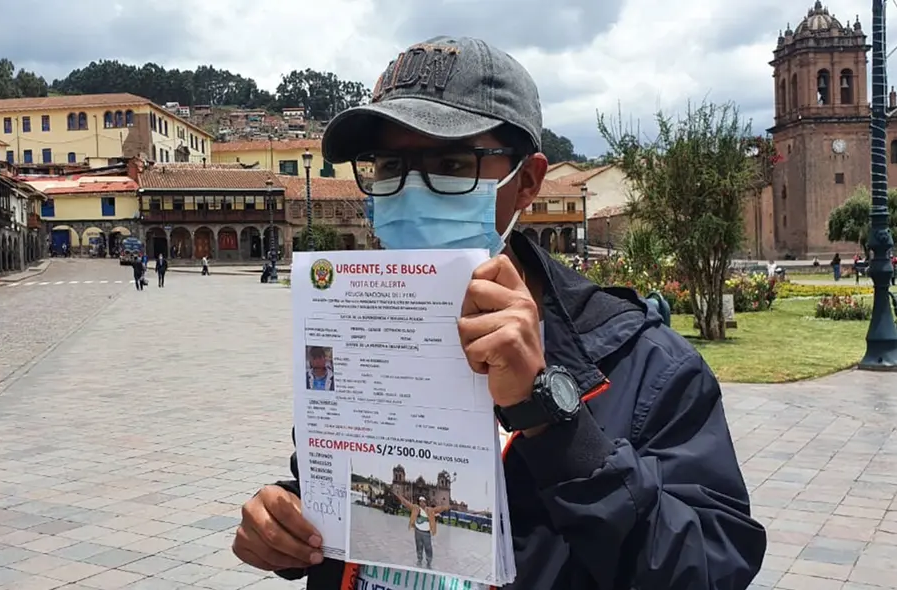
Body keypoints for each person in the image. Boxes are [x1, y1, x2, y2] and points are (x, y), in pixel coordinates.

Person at [232, 36, 765, 590]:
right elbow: (336, 497)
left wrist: (551, 417)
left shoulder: (646, 364)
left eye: (451, 162)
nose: (412, 189)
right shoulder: (359, 327)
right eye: (390, 165)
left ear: (528, 181)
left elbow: (708, 569)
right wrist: (286, 522)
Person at [390, 490, 450, 570]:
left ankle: (429, 562)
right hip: (418, 531)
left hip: (426, 533)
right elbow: (406, 503)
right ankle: (419, 560)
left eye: (423, 501)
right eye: (420, 501)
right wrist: (399, 496)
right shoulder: (415, 508)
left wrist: (447, 506)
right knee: (419, 546)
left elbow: (440, 509)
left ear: (426, 502)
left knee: (428, 547)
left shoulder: (430, 510)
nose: (422, 503)